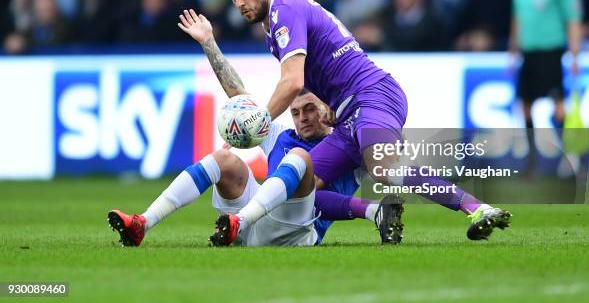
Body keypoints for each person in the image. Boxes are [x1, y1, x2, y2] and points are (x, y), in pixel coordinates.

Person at [178, 0, 511, 244]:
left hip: (373, 94)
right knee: (301, 190)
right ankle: (377, 213)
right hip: (349, 116)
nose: (239, 3)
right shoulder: (274, 27)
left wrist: (258, 123)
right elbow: (259, 96)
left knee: (381, 167)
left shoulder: (286, 11)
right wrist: (209, 43)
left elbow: (293, 83)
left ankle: (479, 209)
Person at [108, 20, 405, 246]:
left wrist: (376, 207)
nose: (302, 118)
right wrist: (209, 43)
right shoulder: (280, 135)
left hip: (297, 233)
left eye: (310, 109)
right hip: (253, 223)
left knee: (300, 158)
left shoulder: (347, 144)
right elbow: (239, 96)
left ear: (326, 105)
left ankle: (238, 220)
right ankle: (142, 224)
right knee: (223, 159)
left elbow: (389, 158)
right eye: (296, 112)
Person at [510, 0, 582, 173]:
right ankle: (531, 160)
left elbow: (573, 17)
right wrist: (513, 48)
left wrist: (574, 53)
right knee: (526, 105)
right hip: (528, 52)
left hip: (551, 50)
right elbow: (517, 16)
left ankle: (570, 157)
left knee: (558, 105)